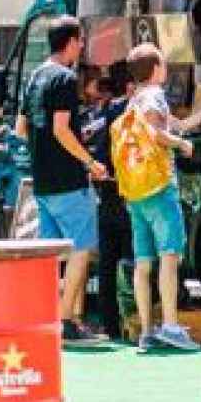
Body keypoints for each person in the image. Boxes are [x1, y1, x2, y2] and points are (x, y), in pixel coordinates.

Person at [115, 43, 201, 353]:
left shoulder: (134, 101)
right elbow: (159, 134)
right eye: (164, 63)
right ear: (155, 69)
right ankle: (170, 325)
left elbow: (181, 124)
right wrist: (181, 145)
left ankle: (147, 331)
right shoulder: (154, 96)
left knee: (143, 263)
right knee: (170, 257)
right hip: (159, 187)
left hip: (135, 191)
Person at [16, 15, 109, 346]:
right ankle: (66, 320)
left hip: (41, 179)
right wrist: (91, 162)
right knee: (81, 250)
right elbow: (60, 128)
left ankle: (43, 316)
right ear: (71, 41)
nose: (82, 46)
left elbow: (21, 128)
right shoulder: (65, 78)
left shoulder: (34, 77)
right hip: (69, 179)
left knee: (49, 254)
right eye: (80, 40)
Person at [82, 70, 132, 339]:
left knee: (108, 264)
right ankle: (132, 322)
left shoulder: (108, 114)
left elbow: (97, 150)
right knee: (131, 261)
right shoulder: (135, 110)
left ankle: (110, 324)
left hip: (109, 193)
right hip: (133, 194)